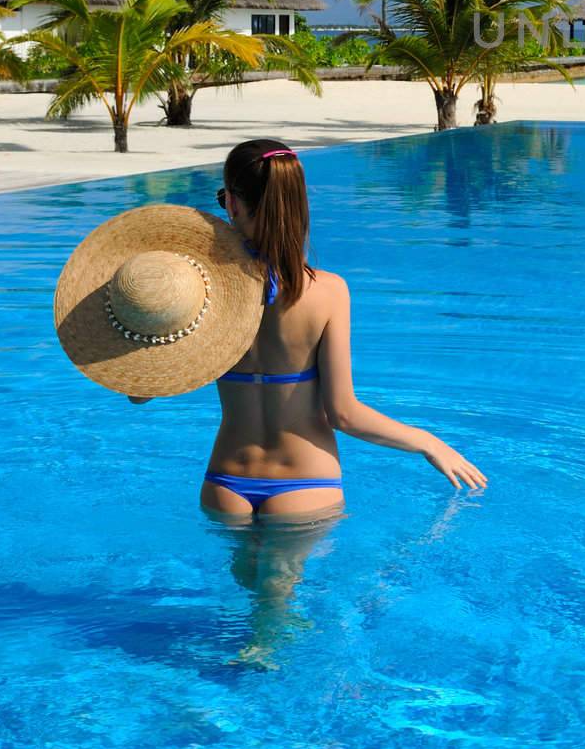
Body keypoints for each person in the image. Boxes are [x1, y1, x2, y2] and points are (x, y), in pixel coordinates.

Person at [179, 138, 487, 525]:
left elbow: (143, 392)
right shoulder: (328, 292)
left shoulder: (204, 290)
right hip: (304, 484)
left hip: (226, 482)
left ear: (234, 204)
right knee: (280, 589)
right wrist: (427, 441)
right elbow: (344, 414)